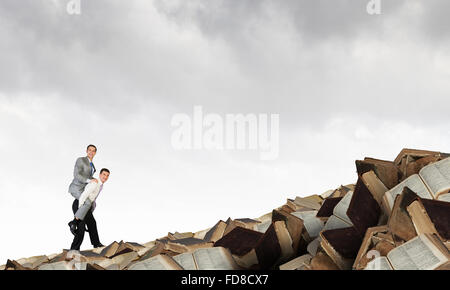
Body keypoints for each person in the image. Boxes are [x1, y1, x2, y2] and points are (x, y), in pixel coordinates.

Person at [67, 145, 104, 250]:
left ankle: (96, 244)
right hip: (77, 190)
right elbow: (77, 175)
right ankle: (74, 248)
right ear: (86, 151)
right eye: (90, 150)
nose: (91, 152)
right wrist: (89, 180)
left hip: (84, 195)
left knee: (92, 222)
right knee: (81, 228)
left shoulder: (93, 166)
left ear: (95, 153)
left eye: (94, 151)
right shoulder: (81, 160)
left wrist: (93, 180)